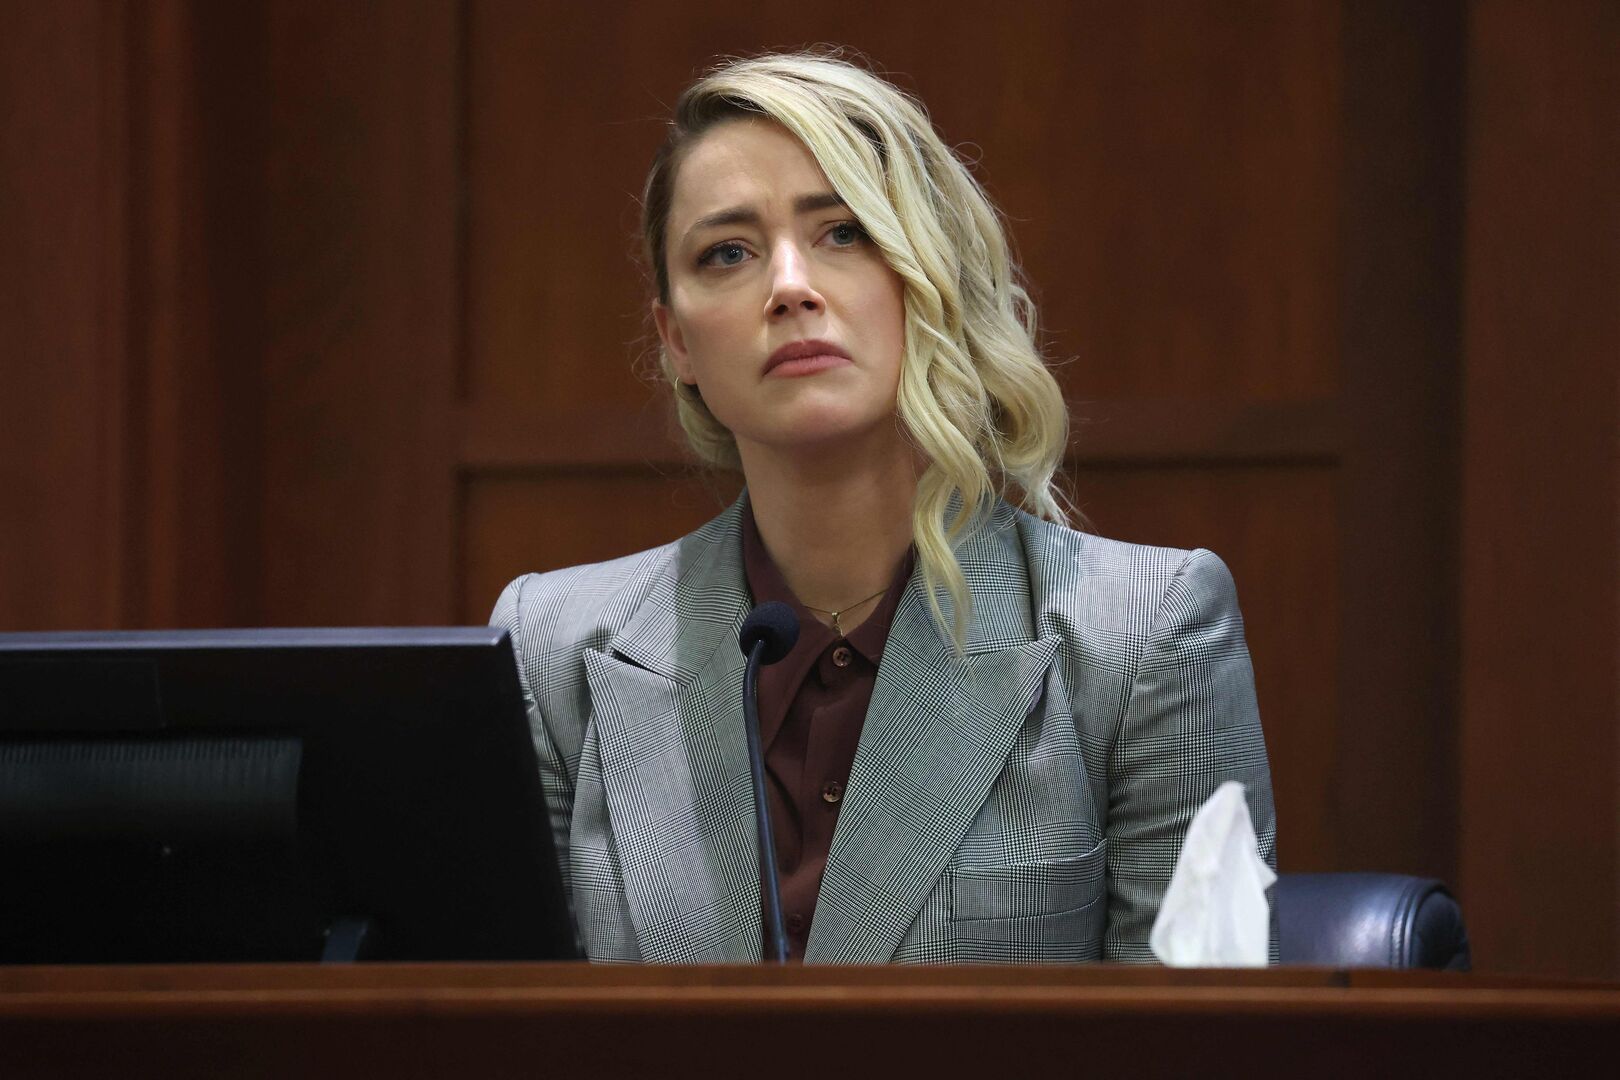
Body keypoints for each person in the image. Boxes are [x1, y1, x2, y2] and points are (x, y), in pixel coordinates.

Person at [491, 50, 1276, 964]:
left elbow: (1193, 1032)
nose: (789, 286)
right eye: (728, 253)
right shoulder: (555, 650)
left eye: (845, 232)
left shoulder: (1143, 636)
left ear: (930, 275)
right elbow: (506, 1022)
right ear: (677, 343)